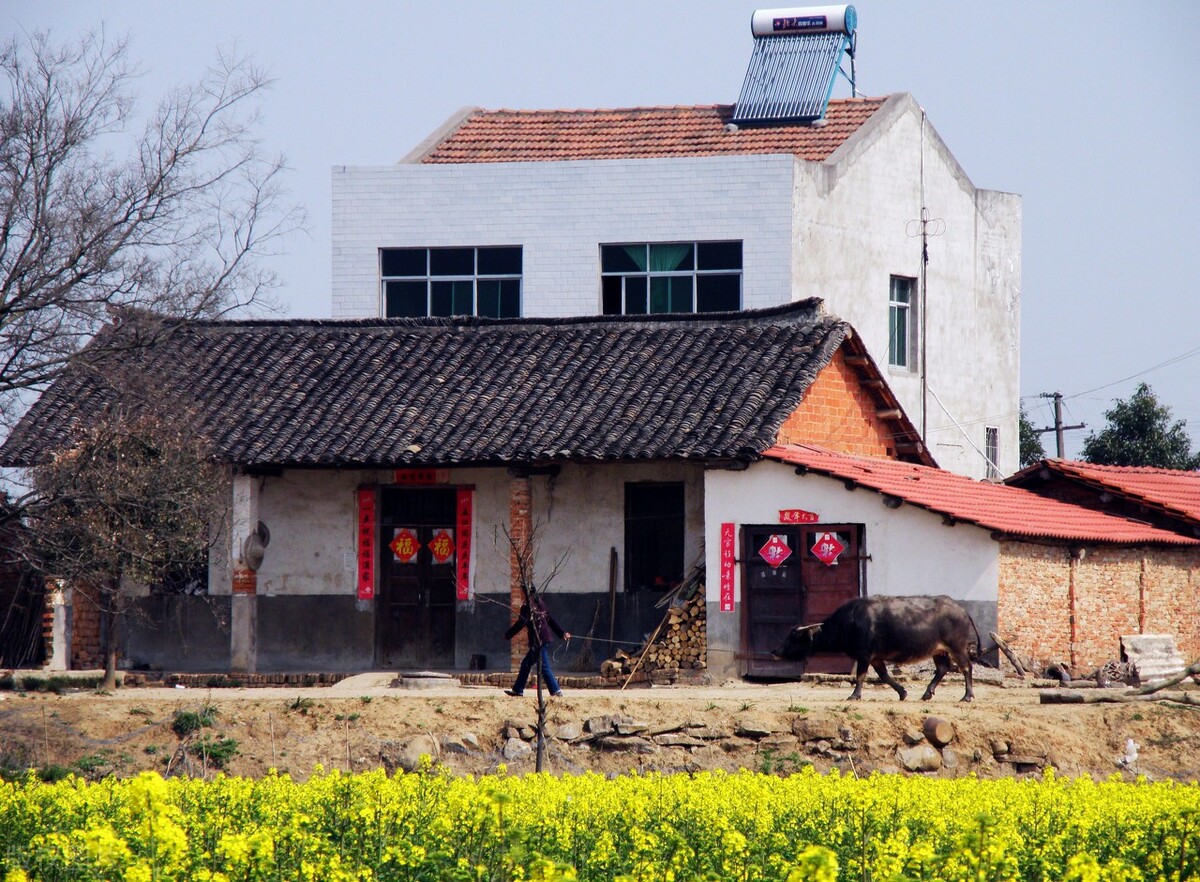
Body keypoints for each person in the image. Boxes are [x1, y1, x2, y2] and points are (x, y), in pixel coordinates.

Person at [504, 592, 570, 697]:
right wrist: (562, 633)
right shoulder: (540, 604)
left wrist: (508, 635)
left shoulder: (527, 607)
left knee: (544, 667)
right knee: (526, 664)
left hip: (538, 641)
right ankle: (518, 689)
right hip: (543, 639)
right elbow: (550, 620)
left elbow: (521, 623)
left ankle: (556, 691)